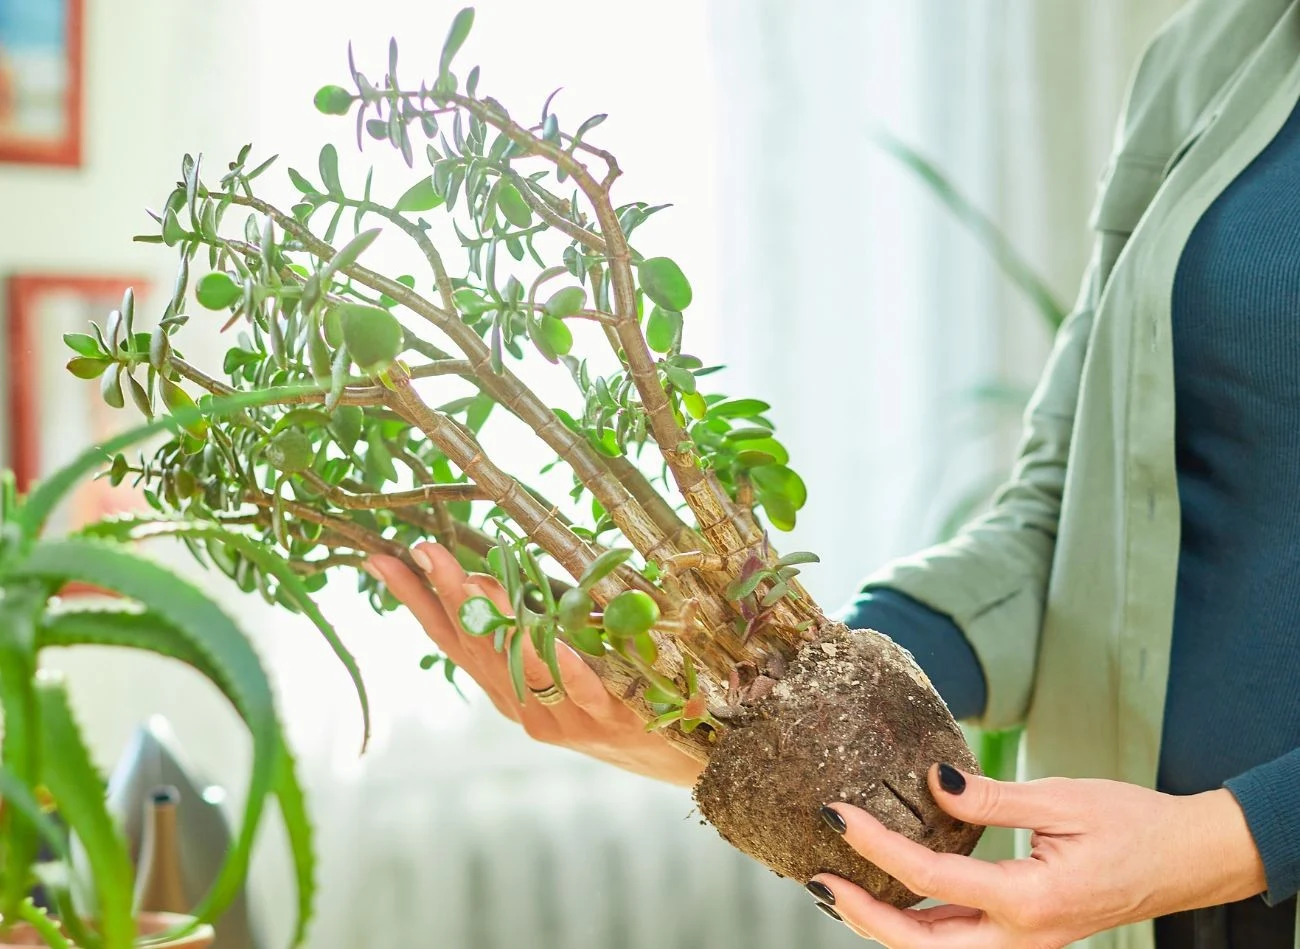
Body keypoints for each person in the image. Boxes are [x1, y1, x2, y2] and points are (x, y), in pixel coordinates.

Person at [363, 1, 1300, 946]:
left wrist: (1239, 834)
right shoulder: (1209, 54)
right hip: (1158, 909)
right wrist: (773, 708)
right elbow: (1066, 525)